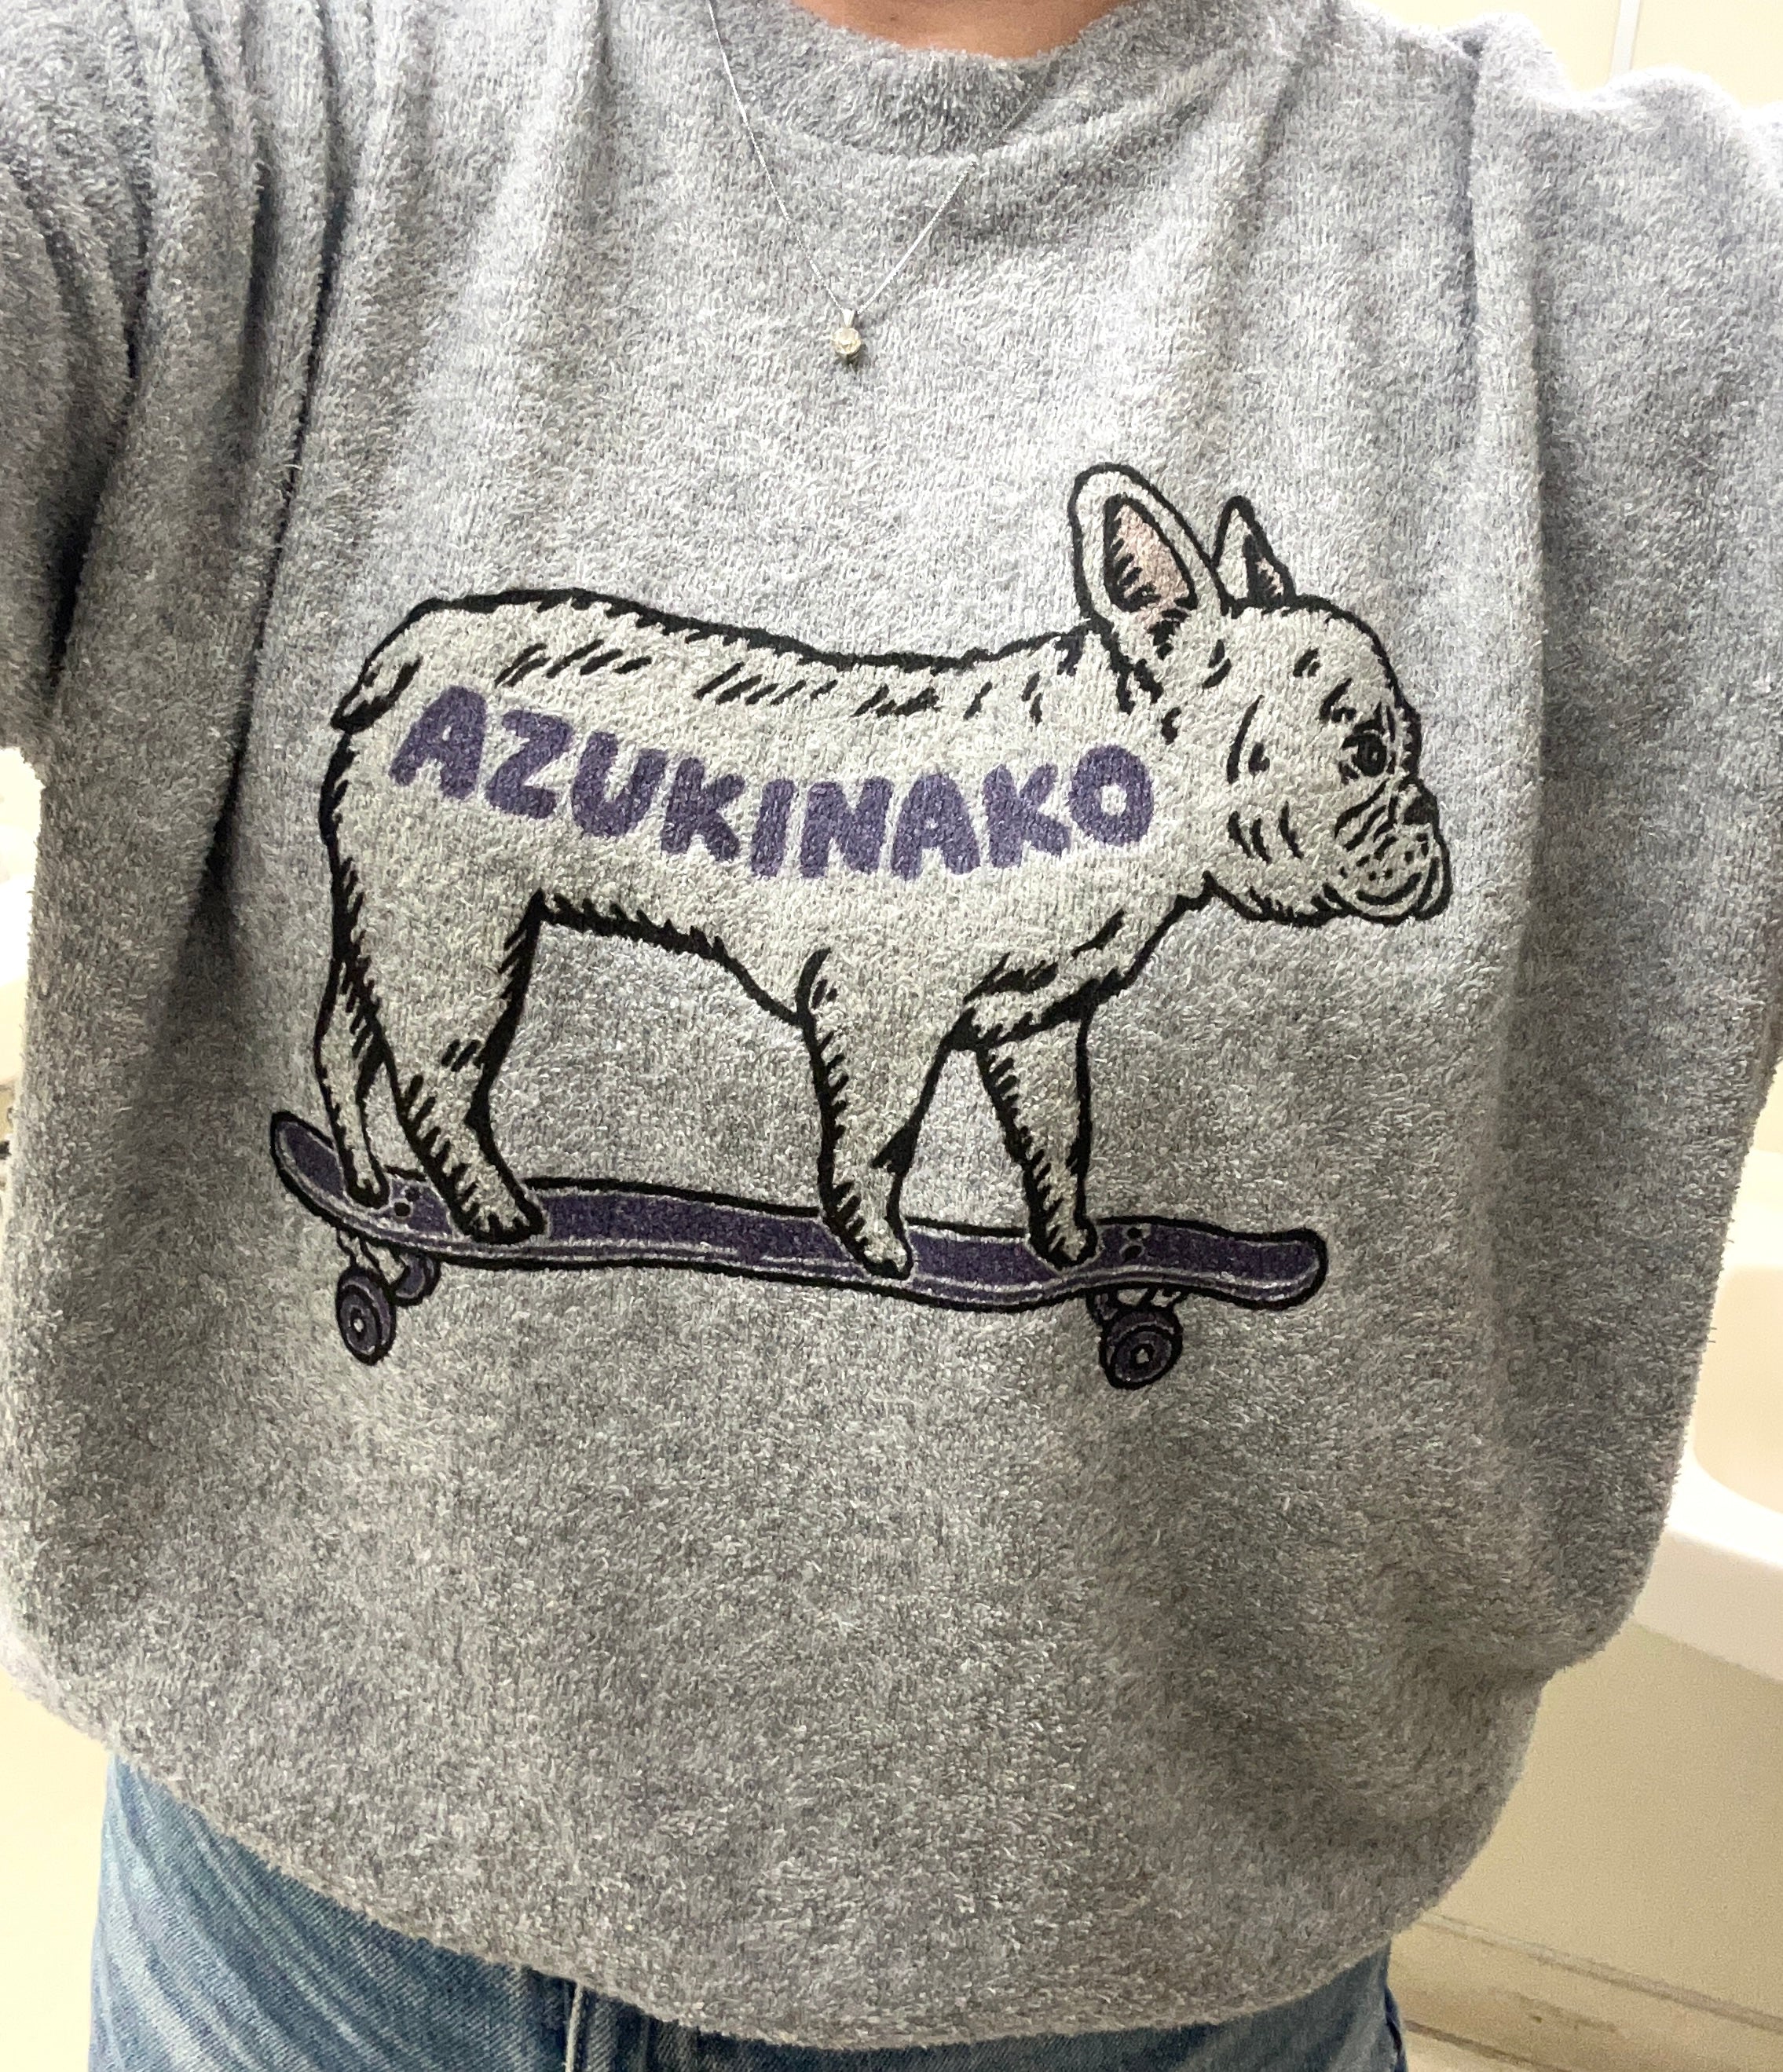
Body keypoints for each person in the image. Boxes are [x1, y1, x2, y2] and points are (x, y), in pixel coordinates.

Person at [0, 0, 1776, 2065]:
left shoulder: (1630, 265)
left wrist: (1053, 1201)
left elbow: (1018, 1002)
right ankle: (456, 1149)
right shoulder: (253, 97)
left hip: (1156, 2001)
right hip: (290, 1963)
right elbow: (879, 985)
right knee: (446, 982)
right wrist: (869, 1188)